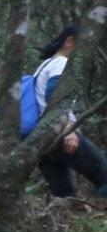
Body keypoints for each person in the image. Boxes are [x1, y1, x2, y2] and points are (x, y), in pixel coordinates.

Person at [28, 25, 107, 199]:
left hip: (42, 140)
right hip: (60, 133)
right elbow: (54, 97)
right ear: (69, 41)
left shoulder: (44, 65)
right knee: (104, 175)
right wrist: (68, 129)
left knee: (64, 194)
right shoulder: (61, 63)